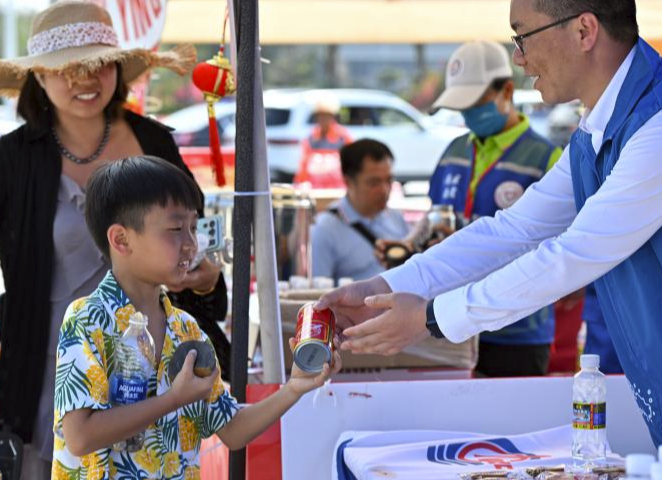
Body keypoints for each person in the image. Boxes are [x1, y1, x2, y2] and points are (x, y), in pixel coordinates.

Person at [318, 0, 662, 453]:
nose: (519, 59)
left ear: (584, 30)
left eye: (522, 36)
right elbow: (511, 231)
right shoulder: (597, 134)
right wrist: (384, 287)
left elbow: (571, 256)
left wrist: (431, 318)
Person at [0, 2, 227, 477]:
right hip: (53, 366)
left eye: (99, 63)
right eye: (68, 69)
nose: (86, 79)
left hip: (153, 360)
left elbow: (197, 237)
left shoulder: (155, 142)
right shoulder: (13, 159)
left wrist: (204, 280)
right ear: (39, 78)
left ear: (119, 70)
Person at [51, 155, 340, 479]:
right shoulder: (87, 318)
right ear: (121, 239)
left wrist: (295, 387)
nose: (191, 244)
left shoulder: (187, 329)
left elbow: (231, 429)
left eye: (193, 227)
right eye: (175, 229)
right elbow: (80, 436)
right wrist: (174, 399)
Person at [396, 40, 563, 377]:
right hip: (448, 322)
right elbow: (433, 215)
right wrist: (410, 243)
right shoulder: (454, 150)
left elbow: (560, 245)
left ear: (507, 91)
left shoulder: (547, 159)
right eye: (463, 106)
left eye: (476, 103)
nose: (469, 113)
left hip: (517, 330)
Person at [312, 139, 409, 281]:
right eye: (374, 182)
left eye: (389, 180)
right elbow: (317, 293)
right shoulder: (323, 229)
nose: (384, 190)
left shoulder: (396, 217)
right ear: (348, 182)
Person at [293, 93, 353, 188]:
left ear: (332, 116)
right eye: (320, 116)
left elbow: (351, 161)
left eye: (326, 116)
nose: (323, 119)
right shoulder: (311, 138)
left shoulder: (343, 136)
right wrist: (299, 182)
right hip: (316, 187)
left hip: (337, 187)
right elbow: (304, 164)